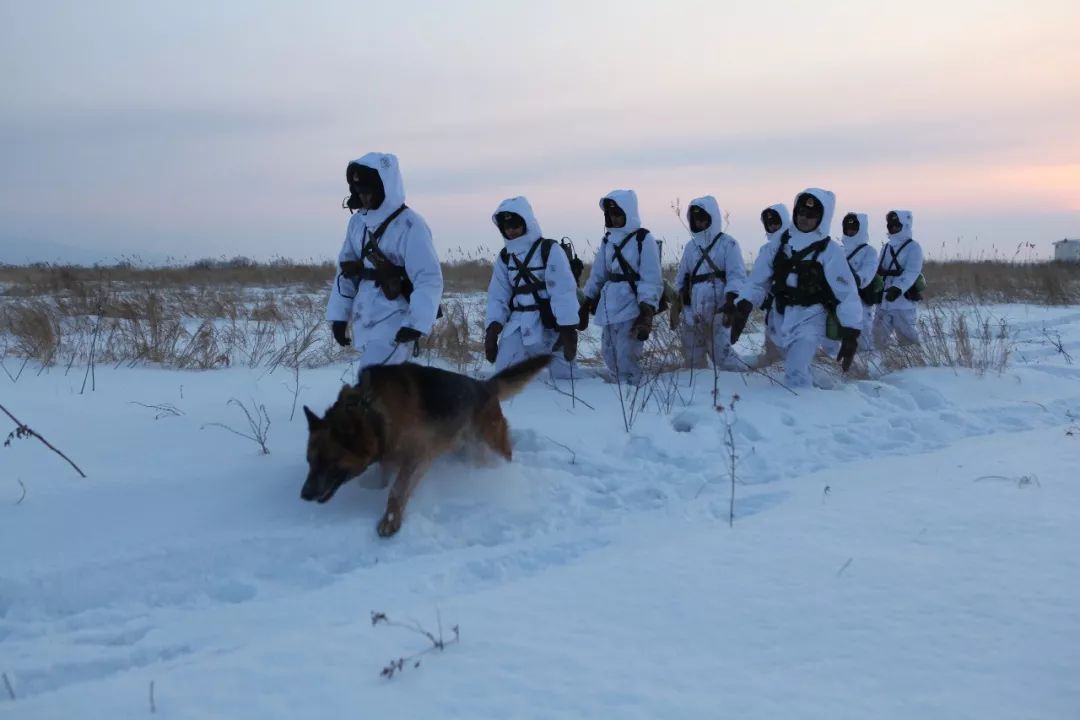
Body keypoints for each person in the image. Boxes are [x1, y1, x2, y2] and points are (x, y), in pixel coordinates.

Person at [728, 188, 863, 388]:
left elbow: (846, 293)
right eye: (800, 212)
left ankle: (805, 411)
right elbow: (757, 282)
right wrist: (744, 304)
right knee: (795, 364)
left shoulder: (831, 251)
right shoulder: (777, 246)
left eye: (811, 215)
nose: (804, 218)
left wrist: (851, 332)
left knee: (795, 370)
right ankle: (825, 386)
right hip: (779, 318)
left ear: (822, 218)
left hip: (811, 318)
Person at [326, 152, 443, 371]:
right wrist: (340, 317)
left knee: (372, 382)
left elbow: (428, 277)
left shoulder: (411, 224)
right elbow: (345, 273)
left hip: (396, 318)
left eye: (369, 192)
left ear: (385, 188)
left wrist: (416, 323)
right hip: (365, 317)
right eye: (359, 192)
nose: (364, 198)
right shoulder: (357, 223)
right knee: (381, 388)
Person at [483, 197, 580, 378]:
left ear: (526, 223)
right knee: (505, 375)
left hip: (551, 324)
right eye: (506, 227)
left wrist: (567, 330)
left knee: (566, 378)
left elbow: (563, 291)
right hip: (518, 324)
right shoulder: (505, 257)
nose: (511, 230)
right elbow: (498, 295)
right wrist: (492, 330)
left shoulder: (549, 250)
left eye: (515, 225)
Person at [581, 190, 663, 384]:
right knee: (609, 352)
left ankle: (632, 390)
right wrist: (587, 300)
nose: (613, 218)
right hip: (609, 306)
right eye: (610, 215)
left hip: (631, 305)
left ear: (628, 212)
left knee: (627, 354)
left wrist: (646, 311)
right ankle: (617, 389)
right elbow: (598, 275)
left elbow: (651, 279)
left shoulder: (643, 240)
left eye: (618, 214)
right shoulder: (608, 240)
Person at [673, 195, 746, 370]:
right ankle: (700, 389)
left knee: (722, 355)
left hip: (720, 308)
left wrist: (731, 301)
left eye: (703, 218)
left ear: (712, 217)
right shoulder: (691, 247)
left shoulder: (728, 244)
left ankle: (742, 381)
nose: (699, 223)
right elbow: (682, 276)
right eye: (695, 219)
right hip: (694, 310)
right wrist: (680, 301)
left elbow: (737, 276)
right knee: (692, 356)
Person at [729, 204, 791, 363]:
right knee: (775, 357)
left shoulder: (801, 244)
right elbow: (757, 282)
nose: (772, 226)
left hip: (803, 311)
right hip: (777, 310)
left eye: (775, 222)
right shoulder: (769, 250)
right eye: (768, 223)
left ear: (784, 221)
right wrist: (745, 302)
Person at [873, 210, 923, 347]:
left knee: (909, 343)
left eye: (897, 225)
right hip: (884, 302)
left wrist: (897, 289)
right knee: (877, 340)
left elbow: (912, 272)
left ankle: (914, 366)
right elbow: (878, 269)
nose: (893, 228)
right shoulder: (886, 247)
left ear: (905, 226)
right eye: (891, 225)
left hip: (903, 303)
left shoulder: (914, 247)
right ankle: (878, 365)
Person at [839, 212, 880, 352]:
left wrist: (857, 279)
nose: (850, 231)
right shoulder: (839, 251)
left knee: (863, 338)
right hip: (841, 302)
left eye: (854, 228)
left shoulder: (870, 252)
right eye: (847, 228)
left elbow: (868, 271)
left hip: (861, 300)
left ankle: (865, 369)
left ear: (861, 229)